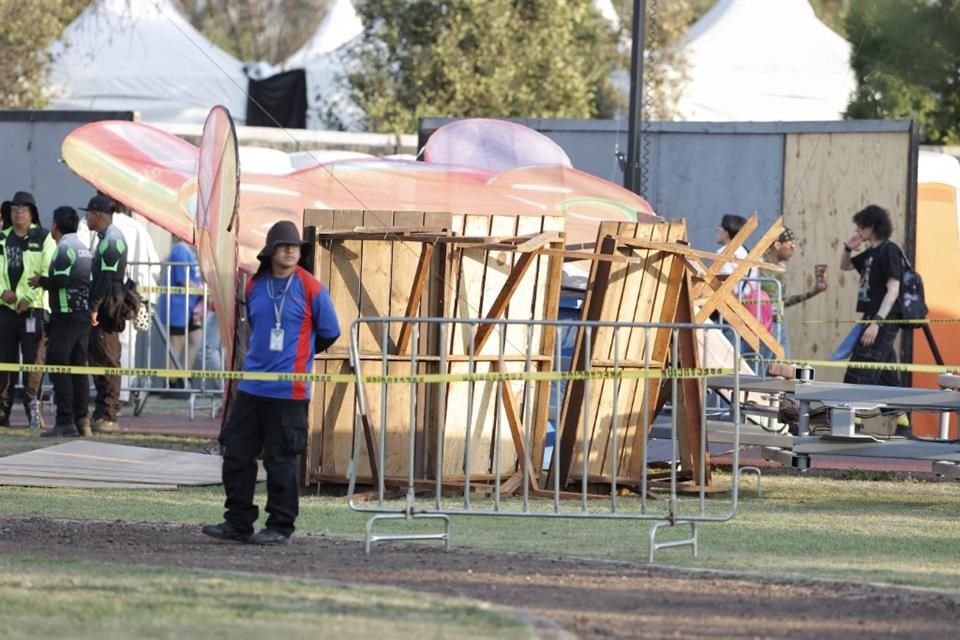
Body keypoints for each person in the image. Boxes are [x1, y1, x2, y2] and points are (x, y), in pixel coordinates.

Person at [203, 221, 339, 545]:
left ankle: (280, 525)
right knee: (236, 453)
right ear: (270, 251)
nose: (291, 250)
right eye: (284, 245)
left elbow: (330, 331)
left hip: (289, 392)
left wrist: (301, 356)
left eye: (296, 247)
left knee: (281, 460)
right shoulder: (254, 286)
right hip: (252, 387)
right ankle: (237, 521)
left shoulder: (313, 289)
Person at [30, 207, 94, 437]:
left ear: (55, 225)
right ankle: (82, 419)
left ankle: (65, 420)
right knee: (78, 369)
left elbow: (59, 281)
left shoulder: (64, 249)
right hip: (83, 316)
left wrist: (41, 281)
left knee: (58, 366)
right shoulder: (85, 249)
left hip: (66, 316)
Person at [0, 191, 55, 428]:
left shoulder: (44, 238)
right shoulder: (1, 238)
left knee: (33, 361)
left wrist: (27, 297)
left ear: (32, 213)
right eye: (14, 209)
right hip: (5, 308)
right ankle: (2, 413)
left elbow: (47, 272)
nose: (18, 213)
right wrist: (3, 292)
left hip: (33, 308)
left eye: (23, 209)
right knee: (4, 361)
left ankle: (33, 411)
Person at [839, 205, 903, 387]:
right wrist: (848, 248)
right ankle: (898, 415)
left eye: (860, 226)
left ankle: (854, 414)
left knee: (859, 373)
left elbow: (893, 289)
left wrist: (876, 323)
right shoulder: (871, 253)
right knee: (887, 379)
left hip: (883, 319)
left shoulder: (889, 250)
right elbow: (845, 266)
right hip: (872, 317)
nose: (857, 230)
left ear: (872, 226)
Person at [750, 227, 827, 374]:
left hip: (778, 323)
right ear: (777, 245)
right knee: (759, 370)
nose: (794, 248)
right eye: (790, 243)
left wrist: (813, 292)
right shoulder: (758, 266)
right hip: (762, 325)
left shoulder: (781, 268)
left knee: (783, 369)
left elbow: (782, 302)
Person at [83, 194, 129, 433]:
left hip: (108, 304)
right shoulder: (104, 238)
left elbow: (104, 279)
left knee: (107, 356)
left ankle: (108, 415)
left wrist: (94, 307)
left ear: (98, 215)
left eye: (88, 214)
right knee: (100, 357)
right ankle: (103, 412)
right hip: (108, 300)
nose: (86, 218)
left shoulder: (111, 240)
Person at [158, 239, 203, 387]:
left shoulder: (192, 251)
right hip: (179, 304)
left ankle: (184, 376)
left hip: (194, 304)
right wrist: (203, 290)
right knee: (177, 342)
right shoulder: (180, 250)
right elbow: (183, 280)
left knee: (195, 339)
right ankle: (171, 381)